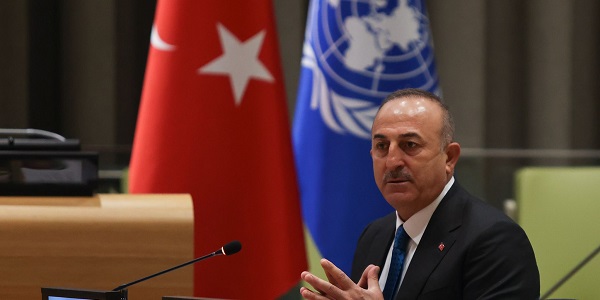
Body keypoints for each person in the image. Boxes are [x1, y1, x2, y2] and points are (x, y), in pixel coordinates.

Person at [300, 88, 540, 299]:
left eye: (410, 145)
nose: (392, 161)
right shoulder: (374, 235)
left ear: (449, 157)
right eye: (382, 146)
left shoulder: (494, 241)